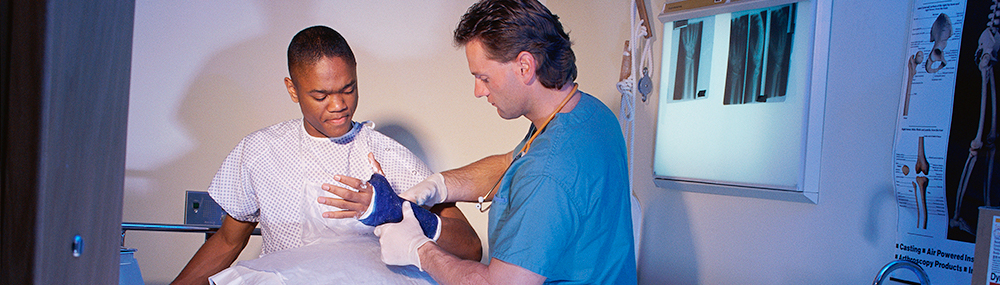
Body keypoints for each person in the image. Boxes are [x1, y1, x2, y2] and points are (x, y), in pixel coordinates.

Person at [170, 25, 481, 285]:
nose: (338, 105)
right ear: (292, 90)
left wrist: (393, 208)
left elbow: (469, 246)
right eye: (320, 95)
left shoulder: (385, 154)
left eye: (348, 89)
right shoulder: (260, 152)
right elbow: (227, 242)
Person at [364, 0, 638, 284]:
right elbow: (513, 163)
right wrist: (439, 185)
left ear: (524, 66)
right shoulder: (588, 113)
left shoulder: (548, 172)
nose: (478, 91)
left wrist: (419, 251)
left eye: (484, 77)